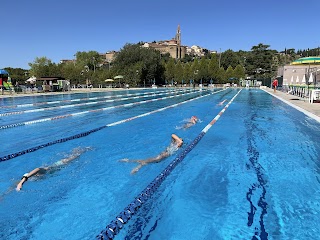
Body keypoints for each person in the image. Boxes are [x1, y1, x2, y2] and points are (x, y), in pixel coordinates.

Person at [16, 147, 91, 191]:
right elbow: (13, 186)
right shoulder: (31, 179)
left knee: (75, 157)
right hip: (56, 171)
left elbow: (37, 169)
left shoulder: (39, 173)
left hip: (58, 165)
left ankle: (84, 149)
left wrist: (21, 182)